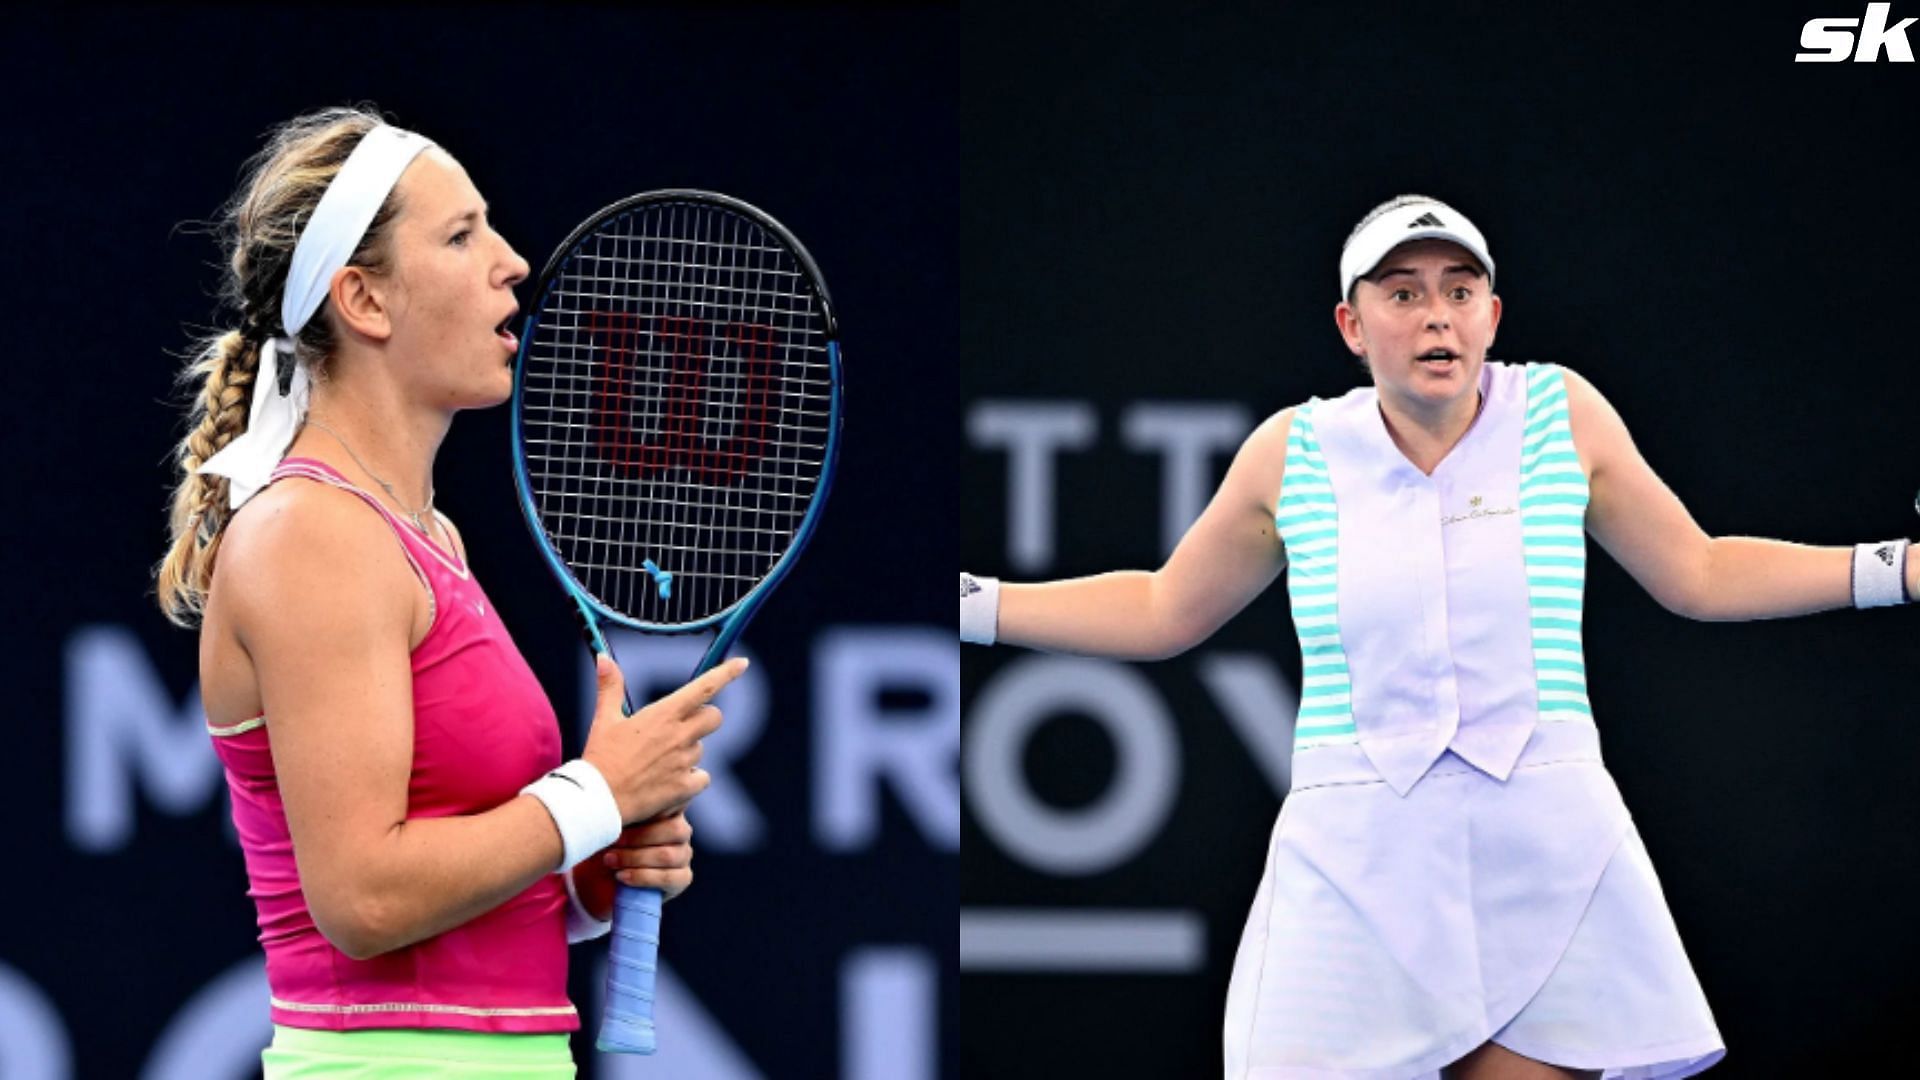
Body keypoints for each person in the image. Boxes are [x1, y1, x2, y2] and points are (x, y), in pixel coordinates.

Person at [960, 194, 1918, 1080]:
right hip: (1356, 851)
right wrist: (976, 604)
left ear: (1492, 318)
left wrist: (1898, 569)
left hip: (1545, 843)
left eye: (1461, 292)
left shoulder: (1561, 414)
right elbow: (1167, 609)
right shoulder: (1292, 452)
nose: (1437, 317)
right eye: (1404, 293)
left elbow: (1700, 572)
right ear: (1351, 325)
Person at [154, 106, 744, 1078]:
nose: (513, 261)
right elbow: (364, 901)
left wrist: (600, 868)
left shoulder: (423, 536)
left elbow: (470, 894)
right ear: (364, 301)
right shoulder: (313, 534)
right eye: (462, 235)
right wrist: (594, 793)